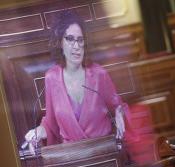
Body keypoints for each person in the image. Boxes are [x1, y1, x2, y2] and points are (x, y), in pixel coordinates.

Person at [24, 10, 128, 150]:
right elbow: (51, 124)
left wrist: (119, 113)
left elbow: (118, 107)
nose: (77, 46)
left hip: (104, 153)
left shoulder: (99, 74)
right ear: (60, 42)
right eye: (70, 39)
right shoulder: (52, 78)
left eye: (80, 39)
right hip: (72, 158)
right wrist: (37, 133)